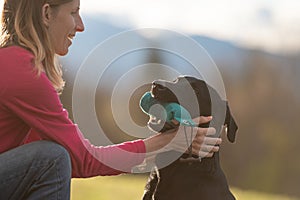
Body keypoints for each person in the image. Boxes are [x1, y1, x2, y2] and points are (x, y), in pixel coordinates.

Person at [0, 0, 222, 199]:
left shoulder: (13, 63)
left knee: (54, 156)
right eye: (74, 12)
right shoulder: (25, 73)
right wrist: (167, 142)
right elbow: (84, 160)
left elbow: (74, 161)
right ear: (46, 13)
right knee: (51, 158)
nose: (80, 25)